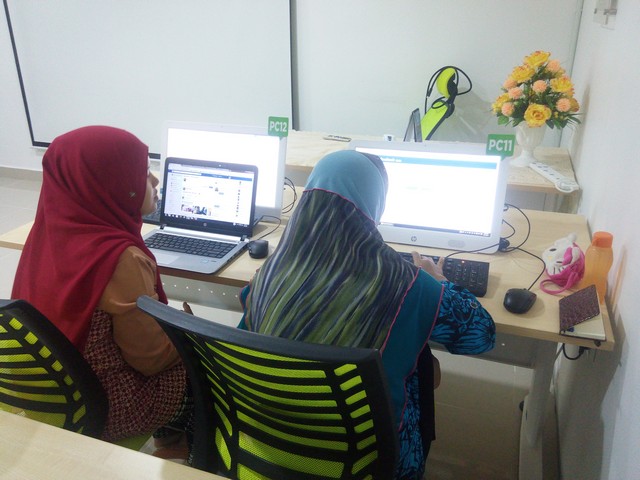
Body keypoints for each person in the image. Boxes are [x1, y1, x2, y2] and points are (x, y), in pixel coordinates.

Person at [238, 150, 496, 479]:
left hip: (266, 450)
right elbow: (481, 336)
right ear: (374, 206)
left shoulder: (266, 276)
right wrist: (439, 279)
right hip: (367, 462)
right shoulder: (410, 285)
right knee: (422, 363)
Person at [11, 126, 190, 452]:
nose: (155, 181)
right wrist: (188, 331)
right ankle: (180, 453)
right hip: (107, 407)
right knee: (207, 367)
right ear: (112, 183)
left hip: (47, 398)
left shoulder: (46, 235)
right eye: (143, 172)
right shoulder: (120, 258)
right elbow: (151, 360)